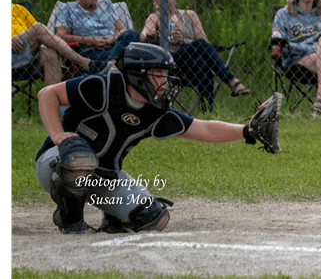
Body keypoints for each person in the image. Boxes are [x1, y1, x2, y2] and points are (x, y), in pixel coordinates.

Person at [34, 42, 282, 235]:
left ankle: (114, 217)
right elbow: (47, 95)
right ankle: (71, 220)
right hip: (55, 164)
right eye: (160, 74)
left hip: (104, 175)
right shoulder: (102, 87)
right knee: (80, 156)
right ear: (138, 75)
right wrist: (58, 136)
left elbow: (203, 129)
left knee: (153, 218)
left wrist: (247, 131)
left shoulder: (155, 112)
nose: (166, 81)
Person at [140, 0, 250, 111]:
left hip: (190, 62)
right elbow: (144, 35)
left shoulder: (190, 15)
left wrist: (183, 40)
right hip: (171, 61)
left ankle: (208, 110)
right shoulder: (154, 17)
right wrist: (155, 34)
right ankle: (232, 82)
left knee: (201, 61)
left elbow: (205, 43)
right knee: (200, 47)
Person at [53, 0, 140, 72]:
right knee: (130, 57)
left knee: (131, 33)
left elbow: (120, 29)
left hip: (113, 46)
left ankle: (112, 65)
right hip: (89, 51)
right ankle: (115, 64)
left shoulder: (107, 4)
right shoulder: (68, 8)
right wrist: (91, 41)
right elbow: (61, 36)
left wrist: (112, 39)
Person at [12, 3, 99, 85]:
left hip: (27, 53)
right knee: (37, 28)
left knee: (50, 54)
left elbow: (40, 36)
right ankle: (85, 62)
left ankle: (50, 99)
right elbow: (37, 31)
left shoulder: (19, 9)